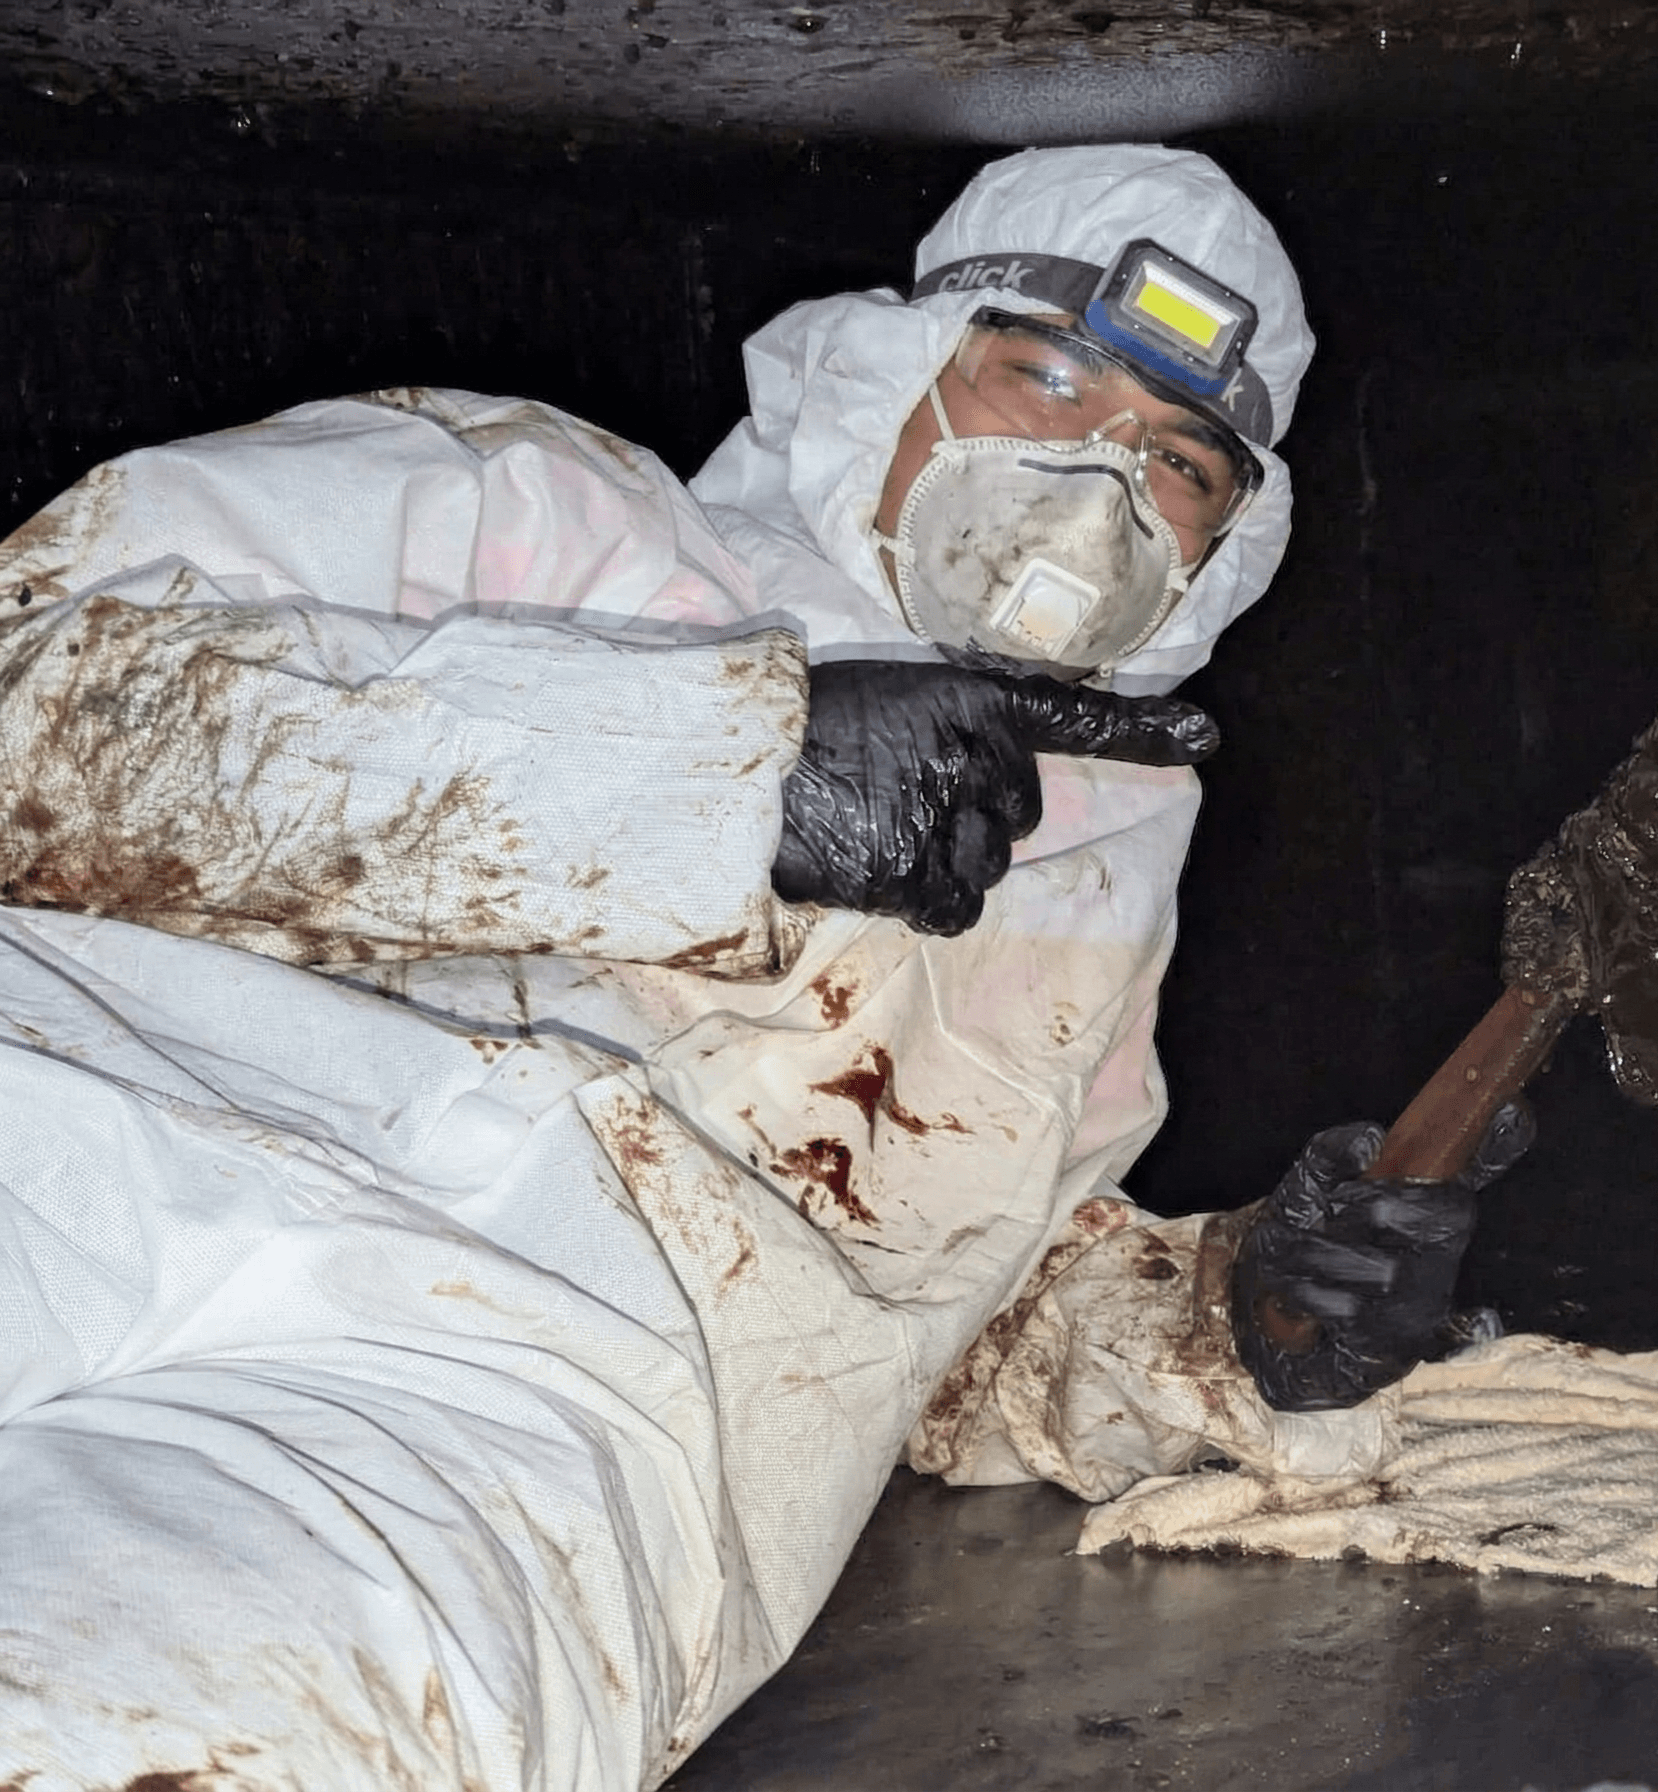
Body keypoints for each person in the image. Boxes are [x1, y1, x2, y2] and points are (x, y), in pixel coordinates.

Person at [0, 145, 1526, 1789]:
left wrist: (1237, 1327)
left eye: (1179, 464)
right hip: (78, 1095)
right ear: (892, 380)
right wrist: (716, 781)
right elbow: (32, 691)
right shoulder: (518, 505)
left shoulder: (1102, 868)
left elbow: (937, 1328)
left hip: (493, 1389)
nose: (1101, 481)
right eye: (1049, 377)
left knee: (183, 1728)